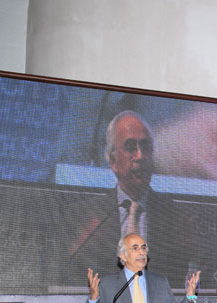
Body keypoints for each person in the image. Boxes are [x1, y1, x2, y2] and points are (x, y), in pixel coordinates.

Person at [68, 110, 200, 288]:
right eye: (130, 148)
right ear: (113, 160)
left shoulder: (178, 218)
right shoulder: (87, 217)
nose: (140, 156)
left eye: (146, 148)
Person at [81, 233, 200, 303]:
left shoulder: (160, 282)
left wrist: (189, 297)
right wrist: (94, 299)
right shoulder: (107, 285)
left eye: (143, 248)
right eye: (135, 248)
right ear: (123, 256)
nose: (142, 253)